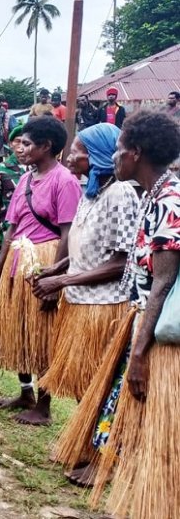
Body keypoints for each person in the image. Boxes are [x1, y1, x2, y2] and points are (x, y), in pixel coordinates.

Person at [81, 111, 180, 517]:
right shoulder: (153, 194)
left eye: (120, 150)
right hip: (143, 324)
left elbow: (162, 284)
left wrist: (139, 353)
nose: (115, 158)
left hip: (158, 337)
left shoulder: (171, 201)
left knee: (153, 422)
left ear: (136, 153)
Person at [0, 116, 82, 426]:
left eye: (27, 144)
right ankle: (25, 392)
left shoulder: (64, 181)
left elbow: (68, 233)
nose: (20, 149)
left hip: (44, 262)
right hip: (17, 260)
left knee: (42, 336)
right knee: (17, 328)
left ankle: (44, 405)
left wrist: (54, 279)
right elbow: (11, 229)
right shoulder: (25, 180)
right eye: (20, 143)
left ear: (46, 146)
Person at [31, 123, 138, 400]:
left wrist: (63, 280)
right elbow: (87, 245)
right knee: (81, 382)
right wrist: (59, 266)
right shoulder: (92, 191)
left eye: (77, 151)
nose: (68, 157)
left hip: (102, 306)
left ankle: (96, 442)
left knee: (94, 386)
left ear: (98, 155)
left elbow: (122, 263)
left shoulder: (121, 194)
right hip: (80, 301)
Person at [0, 125, 26, 258]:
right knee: (3, 267)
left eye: (25, 142)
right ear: (10, 144)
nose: (21, 146)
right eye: (17, 141)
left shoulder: (38, 168)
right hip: (6, 229)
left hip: (32, 230)